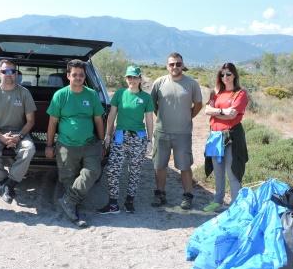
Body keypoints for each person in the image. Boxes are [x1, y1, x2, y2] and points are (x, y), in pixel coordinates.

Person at [46, 59, 105, 228]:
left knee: (93, 171)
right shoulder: (60, 95)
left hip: (89, 143)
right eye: (74, 75)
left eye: (81, 75)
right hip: (66, 144)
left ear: (84, 76)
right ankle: (72, 206)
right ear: (68, 76)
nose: (78, 77)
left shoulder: (92, 94)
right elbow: (52, 123)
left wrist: (101, 142)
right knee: (68, 179)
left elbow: (98, 120)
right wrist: (49, 145)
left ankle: (68, 202)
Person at [98, 65, 154, 214]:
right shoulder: (120, 94)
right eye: (129, 77)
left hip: (139, 138)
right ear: (126, 78)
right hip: (120, 136)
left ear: (140, 79)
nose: (132, 80)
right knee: (113, 170)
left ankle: (130, 201)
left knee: (134, 171)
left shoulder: (146, 98)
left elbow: (149, 119)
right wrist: (108, 135)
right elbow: (111, 116)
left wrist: (150, 140)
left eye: (135, 77)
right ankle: (113, 204)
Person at [150, 52, 202, 210]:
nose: (175, 67)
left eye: (178, 64)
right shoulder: (159, 82)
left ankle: (187, 196)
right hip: (162, 132)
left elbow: (198, 104)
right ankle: (160, 194)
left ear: (183, 65)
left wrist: (187, 117)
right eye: (172, 64)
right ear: (167, 66)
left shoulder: (192, 83)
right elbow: (153, 104)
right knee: (160, 165)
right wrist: (162, 117)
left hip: (183, 133)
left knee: (184, 166)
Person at [0, 60, 37, 204]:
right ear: (0, 73)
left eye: (12, 71)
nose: (9, 74)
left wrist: (19, 137)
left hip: (20, 132)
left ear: (16, 74)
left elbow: (30, 121)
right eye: (5, 71)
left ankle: (8, 185)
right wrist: (2, 138)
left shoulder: (24, 93)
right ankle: (4, 181)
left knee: (29, 149)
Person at [203, 62, 248, 212]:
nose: (225, 77)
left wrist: (216, 111)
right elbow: (207, 111)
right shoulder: (216, 93)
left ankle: (235, 207)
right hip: (215, 137)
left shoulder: (240, 94)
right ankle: (218, 201)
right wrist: (223, 111)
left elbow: (232, 115)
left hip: (232, 137)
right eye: (222, 74)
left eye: (228, 74)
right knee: (218, 172)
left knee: (232, 171)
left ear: (234, 75)